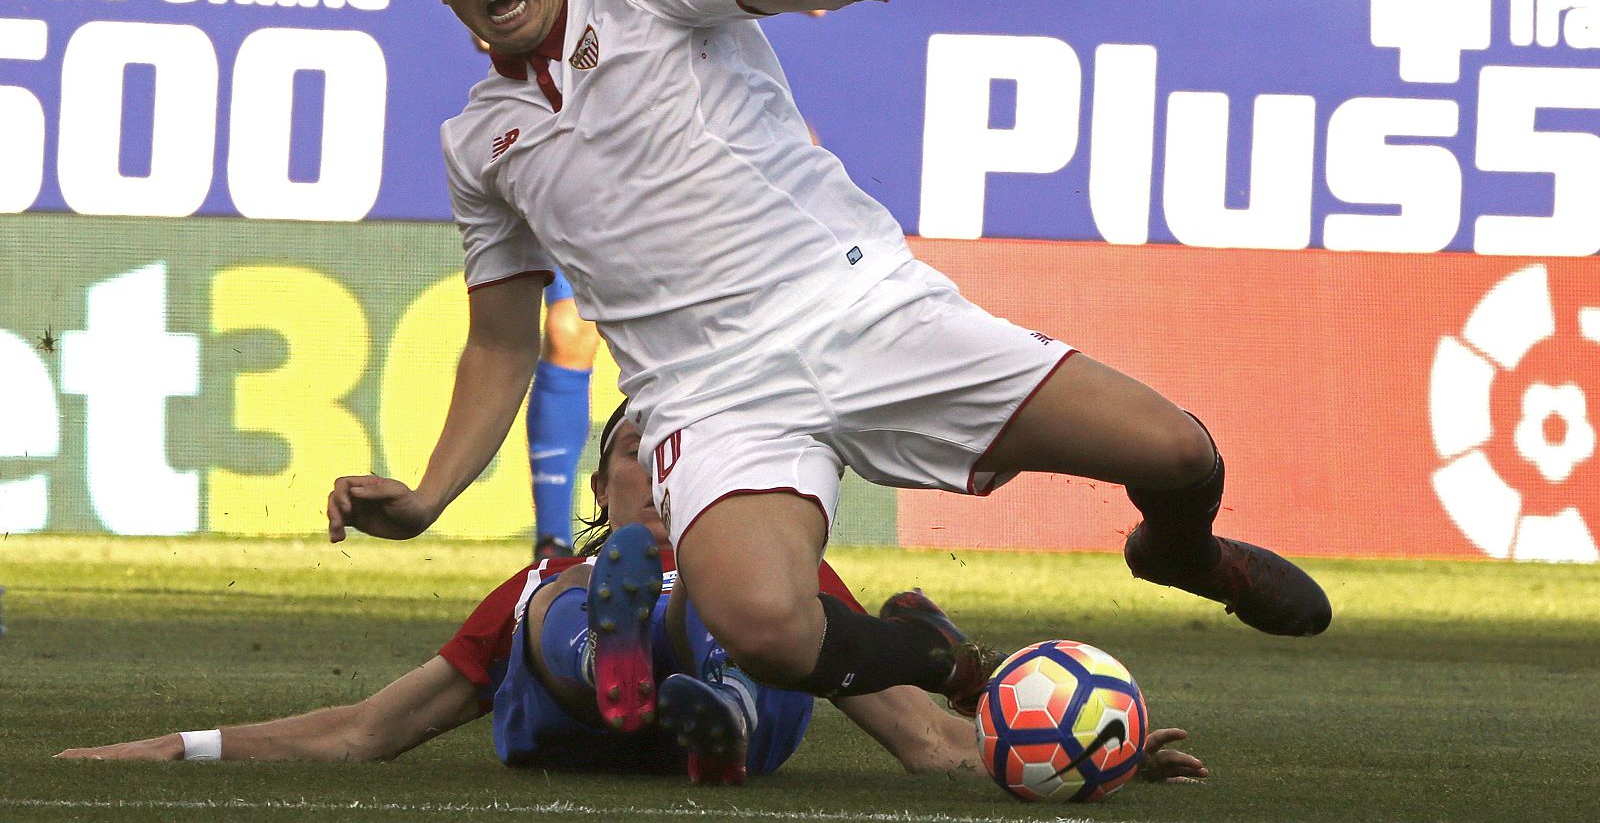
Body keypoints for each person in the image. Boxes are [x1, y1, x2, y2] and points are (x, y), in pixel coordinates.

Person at [328, 0, 1331, 730]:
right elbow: (501, 345)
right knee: (759, 622)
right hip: (712, 397)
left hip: (860, 309)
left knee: (1176, 451)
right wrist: (424, 498)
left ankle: (1184, 555)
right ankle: (945, 660)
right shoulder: (479, 144)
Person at [59, 402, 1210, 788]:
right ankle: (650, 659)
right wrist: (171, 748)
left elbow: (936, 747)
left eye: (680, 450)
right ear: (606, 480)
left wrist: (1073, 753)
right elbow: (366, 729)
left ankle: (689, 681)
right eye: (636, 453)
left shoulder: (780, 568)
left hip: (724, 660)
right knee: (565, 604)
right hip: (587, 664)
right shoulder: (542, 579)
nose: (659, 468)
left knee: (744, 596)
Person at [525, 0, 822, 560]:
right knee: (565, 330)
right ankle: (556, 546)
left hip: (722, 138)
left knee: (753, 333)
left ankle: (755, 535)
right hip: (610, 136)